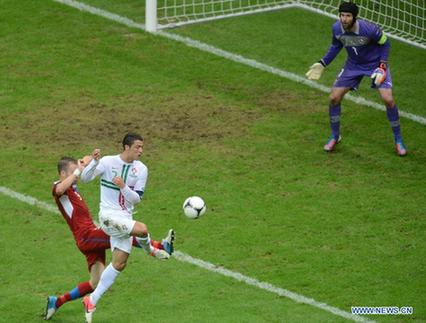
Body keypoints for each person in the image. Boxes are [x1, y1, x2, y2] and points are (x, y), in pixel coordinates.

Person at [45, 155, 174, 320]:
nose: (76, 175)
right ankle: (160, 246)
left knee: (95, 283)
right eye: (71, 172)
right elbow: (59, 189)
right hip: (86, 237)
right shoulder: (59, 187)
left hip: (90, 237)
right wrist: (78, 171)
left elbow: (82, 174)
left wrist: (91, 161)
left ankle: (57, 301)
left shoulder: (73, 189)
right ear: (63, 174)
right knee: (122, 232)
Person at [80, 133, 170, 323]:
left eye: (142, 147)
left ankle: (91, 300)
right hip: (108, 218)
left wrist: (122, 187)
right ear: (126, 147)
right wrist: (94, 163)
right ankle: (152, 250)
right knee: (142, 230)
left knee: (120, 263)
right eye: (137, 147)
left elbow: (136, 199)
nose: (141, 151)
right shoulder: (107, 162)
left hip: (125, 218)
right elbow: (85, 179)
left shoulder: (142, 169)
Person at [306, 1, 407, 156]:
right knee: (334, 97)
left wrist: (382, 66)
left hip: (375, 65)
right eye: (342, 15)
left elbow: (385, 43)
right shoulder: (336, 28)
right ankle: (335, 136)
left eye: (348, 16)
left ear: (354, 17)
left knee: (388, 99)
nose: (344, 19)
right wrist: (323, 63)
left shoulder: (369, 29)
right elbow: (336, 46)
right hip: (353, 65)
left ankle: (398, 140)